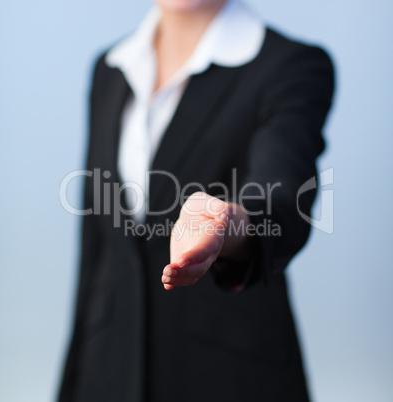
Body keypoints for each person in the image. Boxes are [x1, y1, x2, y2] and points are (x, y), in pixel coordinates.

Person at [58, 0, 334, 400]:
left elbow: (282, 195)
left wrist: (226, 222)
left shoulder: (290, 65)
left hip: (229, 377)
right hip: (107, 375)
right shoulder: (110, 69)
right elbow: (95, 250)